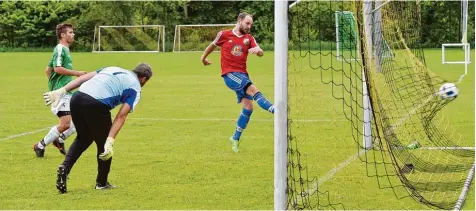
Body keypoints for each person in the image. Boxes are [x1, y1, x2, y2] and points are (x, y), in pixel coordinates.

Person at [43, 63, 153, 193]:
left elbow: (84, 78)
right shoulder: (135, 88)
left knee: (83, 138)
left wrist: (62, 91)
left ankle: (64, 167)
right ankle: (101, 183)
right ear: (144, 79)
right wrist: (110, 140)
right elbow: (120, 117)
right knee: (104, 145)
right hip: (96, 104)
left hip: (77, 98)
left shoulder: (113, 68)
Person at [200, 12, 274, 153]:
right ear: (239, 21)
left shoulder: (249, 38)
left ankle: (235, 138)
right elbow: (212, 45)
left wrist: (257, 50)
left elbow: (260, 52)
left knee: (248, 107)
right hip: (229, 74)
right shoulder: (224, 34)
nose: (249, 26)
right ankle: (276, 110)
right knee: (253, 90)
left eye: (251, 24)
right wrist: (203, 58)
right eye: (247, 23)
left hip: (243, 75)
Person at [34, 23, 87, 157]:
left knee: (77, 123)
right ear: (63, 35)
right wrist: (76, 73)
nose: (73, 34)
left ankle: (58, 140)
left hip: (67, 92)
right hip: (61, 93)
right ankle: (39, 145)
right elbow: (56, 68)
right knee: (65, 124)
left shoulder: (65, 50)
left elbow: (48, 69)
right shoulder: (60, 49)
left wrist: (54, 83)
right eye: (70, 32)